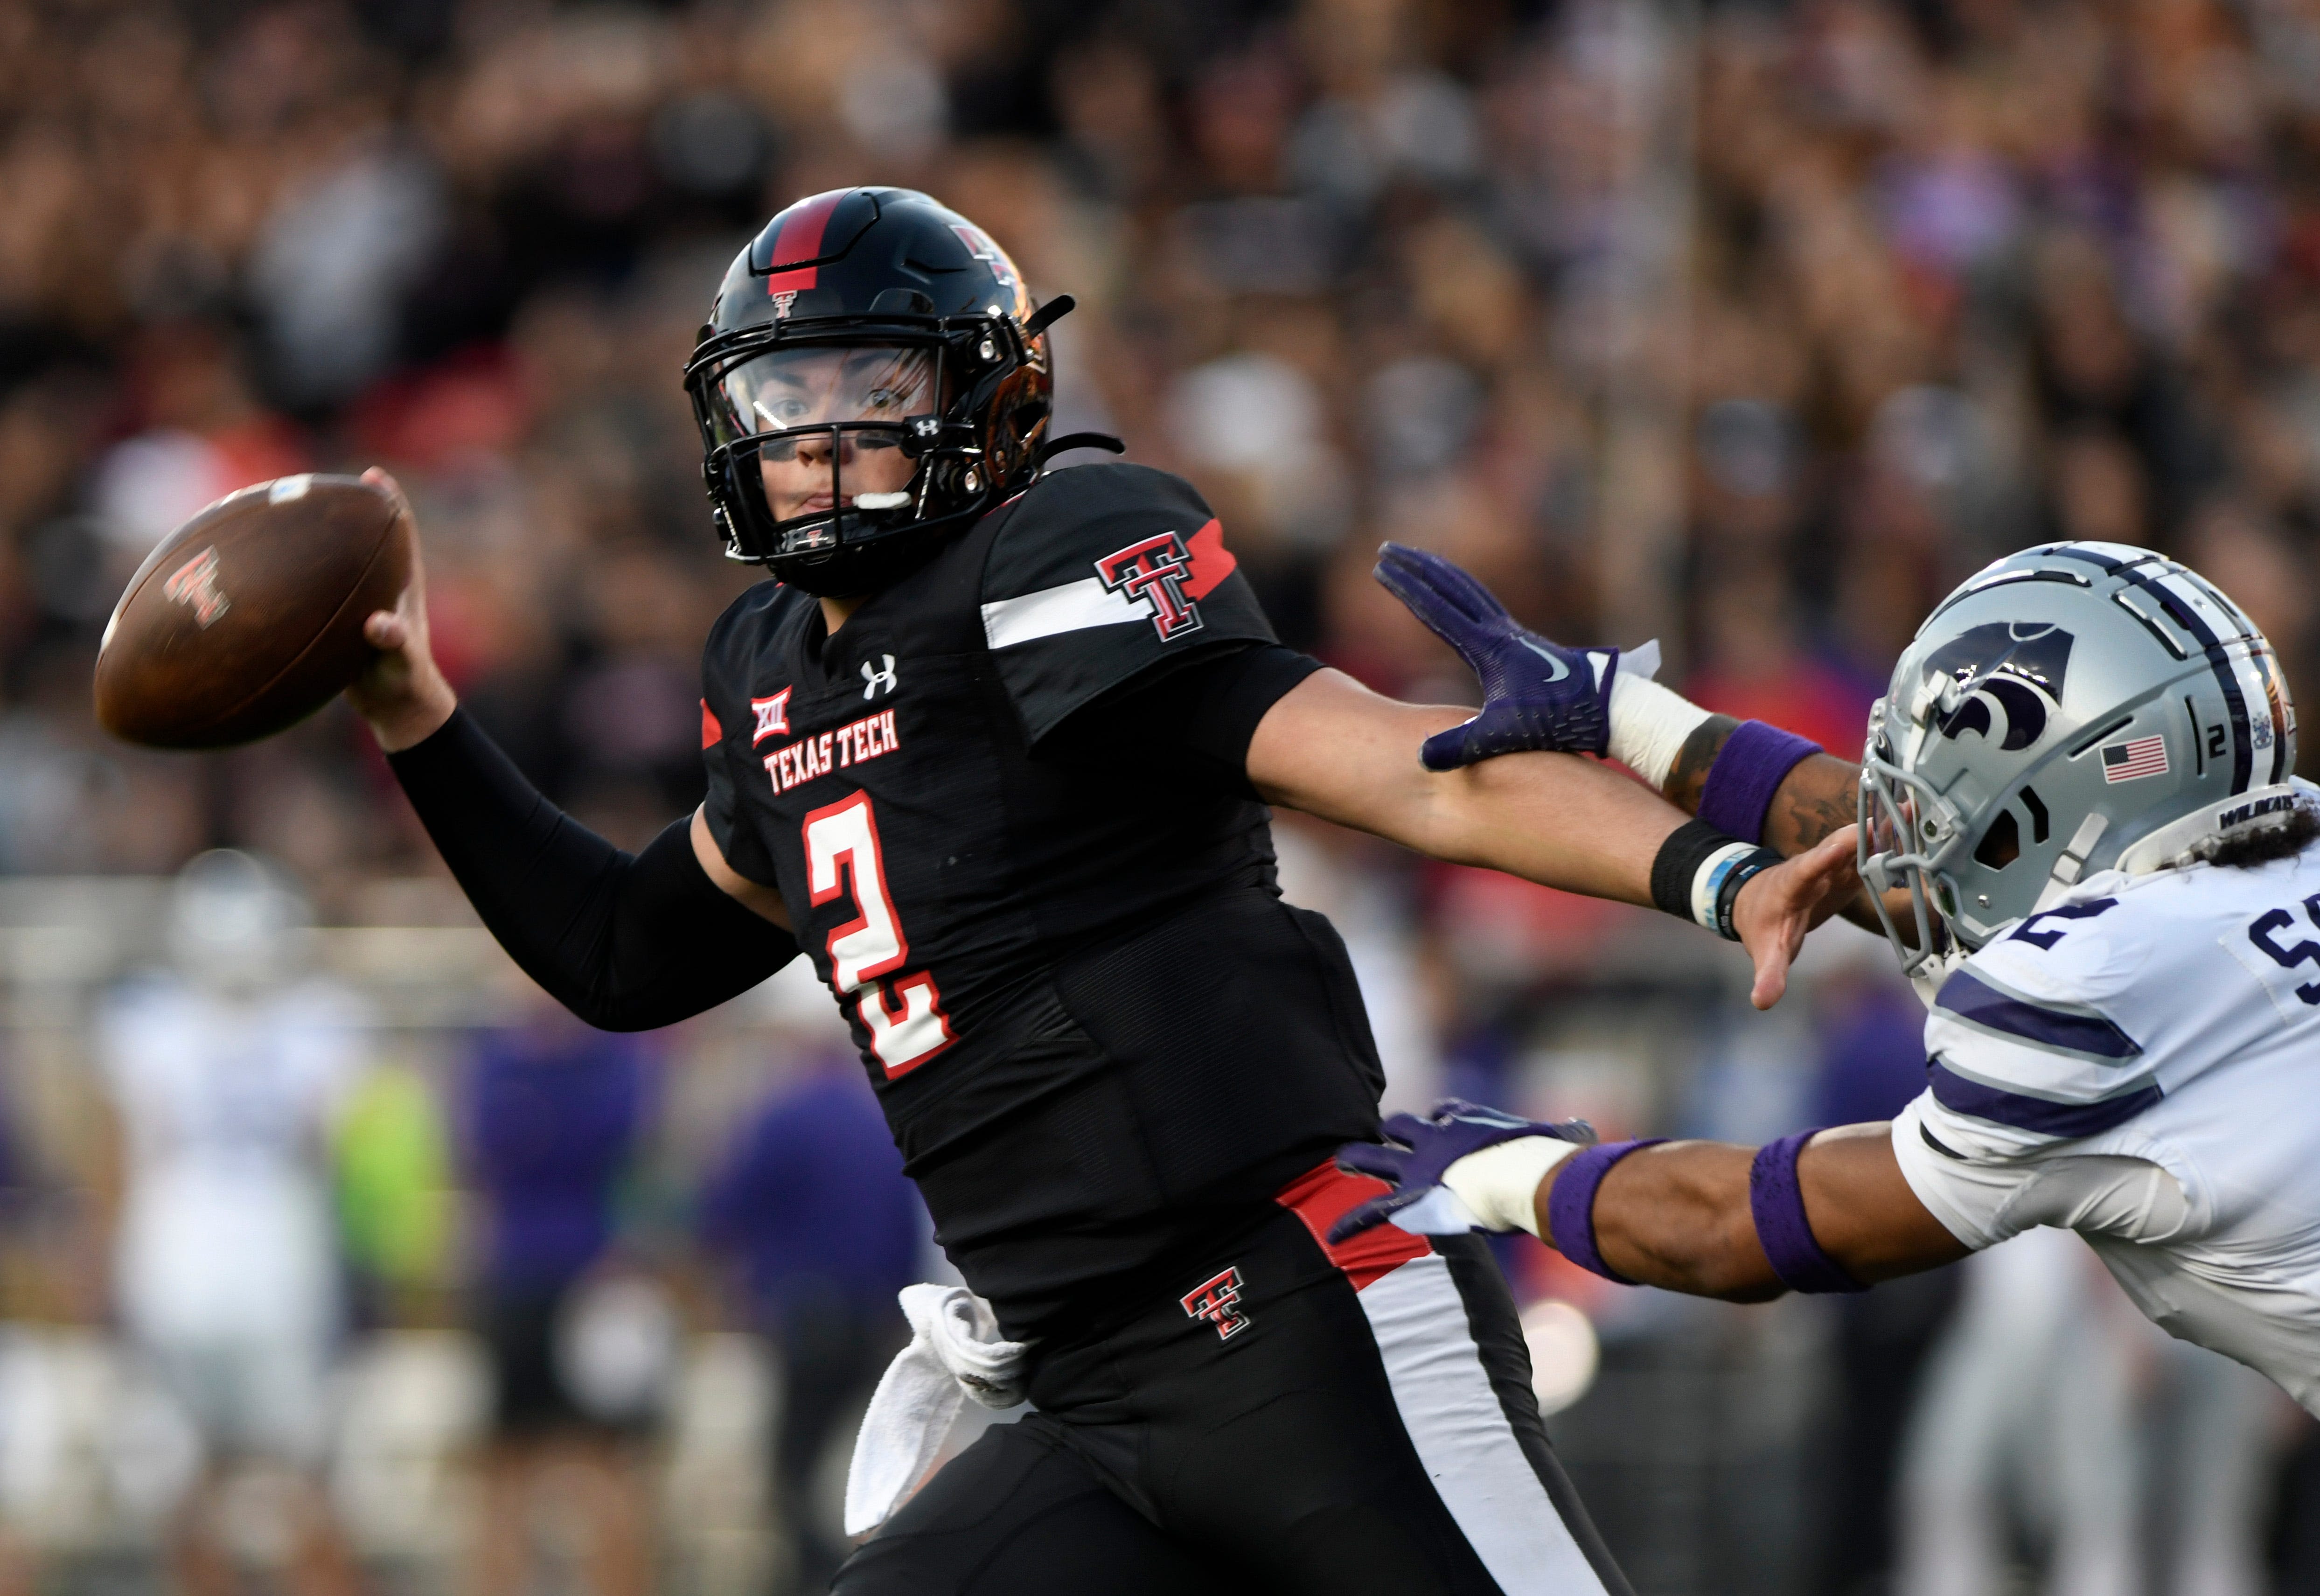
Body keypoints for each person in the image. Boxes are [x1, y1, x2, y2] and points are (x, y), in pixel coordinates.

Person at [341, 186, 1848, 1596]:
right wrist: (414, 713)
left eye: (865, 391)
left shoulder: (1051, 550)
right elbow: (619, 954)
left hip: (1294, 1315)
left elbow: (1407, 766)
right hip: (1079, 1389)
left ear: (988, 395)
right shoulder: (768, 671)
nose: (812, 440)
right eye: (780, 400)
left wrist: (1714, 873)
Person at [1332, 540, 2320, 1433]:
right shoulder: (2281, 841)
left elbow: (1741, 1230)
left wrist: (1507, 1174)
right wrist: (1620, 713)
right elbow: (1926, 858)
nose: (1897, 813)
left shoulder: (2083, 998)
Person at [96, 850, 370, 1596]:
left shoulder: (146, 1022)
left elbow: (119, 1163)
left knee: (191, 1490)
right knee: (301, 1487)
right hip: (281, 1269)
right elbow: (340, 1161)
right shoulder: (326, 1023)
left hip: (175, 1268)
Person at [697, 1048, 925, 1590]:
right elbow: (906, 1230)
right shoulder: (876, 1125)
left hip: (804, 1316)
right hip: (870, 1316)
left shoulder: (781, 1118)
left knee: (796, 1460)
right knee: (857, 1459)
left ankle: (813, 1576)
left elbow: (724, 1209)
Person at [461, 996, 659, 1596]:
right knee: (512, 1464)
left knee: (602, 1463)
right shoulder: (589, 1065)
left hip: (585, 1281)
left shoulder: (583, 1063)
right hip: (535, 1275)